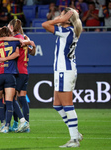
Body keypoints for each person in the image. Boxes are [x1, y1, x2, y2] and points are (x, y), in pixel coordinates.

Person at [42, 7, 83, 147]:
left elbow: (45, 25)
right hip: (64, 70)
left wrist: (60, 20)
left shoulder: (66, 32)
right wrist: (62, 19)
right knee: (57, 105)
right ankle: (75, 133)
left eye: (62, 15)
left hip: (64, 71)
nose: (59, 16)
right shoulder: (71, 31)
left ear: (67, 19)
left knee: (67, 105)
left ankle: (74, 139)